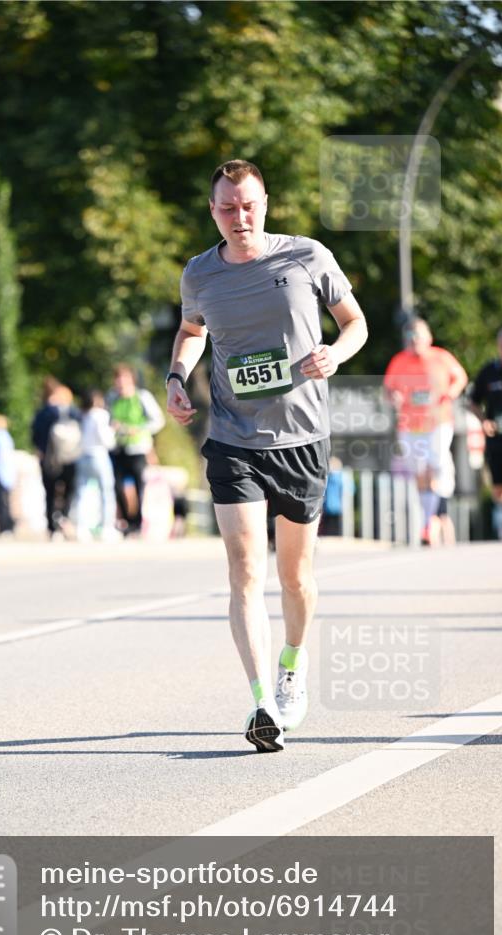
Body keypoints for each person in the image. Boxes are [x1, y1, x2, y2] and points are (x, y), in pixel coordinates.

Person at [166, 159, 368, 753]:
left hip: (303, 440)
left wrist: (336, 353)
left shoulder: (306, 256)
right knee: (246, 570)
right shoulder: (200, 272)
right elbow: (191, 330)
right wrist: (177, 376)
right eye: (227, 208)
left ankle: (292, 663)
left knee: (295, 578)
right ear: (213, 212)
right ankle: (261, 704)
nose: (239, 216)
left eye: (248, 204)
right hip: (234, 439)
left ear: (265, 203)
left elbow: (355, 324)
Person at [384, 318, 467, 545]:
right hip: (410, 425)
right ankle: (430, 520)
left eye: (418, 336)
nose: (414, 341)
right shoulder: (399, 361)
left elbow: (460, 377)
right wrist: (394, 398)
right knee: (419, 473)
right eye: (410, 337)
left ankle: (430, 522)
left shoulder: (441, 357)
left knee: (436, 462)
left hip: (438, 422)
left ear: (428, 338)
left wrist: (450, 392)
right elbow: (388, 390)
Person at [468, 325, 502, 542]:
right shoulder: (489, 372)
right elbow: (473, 402)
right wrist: (483, 421)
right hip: (497, 440)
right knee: (499, 488)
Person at [108, 363, 165, 536]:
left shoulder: (142, 397)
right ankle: (125, 521)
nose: (120, 384)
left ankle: (138, 522)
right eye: (118, 380)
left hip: (138, 448)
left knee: (139, 486)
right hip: (118, 447)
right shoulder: (112, 398)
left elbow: (158, 421)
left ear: (131, 380)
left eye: (124, 379)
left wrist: (139, 428)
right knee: (117, 486)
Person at [31, 378, 82, 539]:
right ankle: (61, 520)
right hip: (68, 457)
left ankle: (55, 525)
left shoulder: (45, 412)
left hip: (52, 458)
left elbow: (35, 434)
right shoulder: (73, 412)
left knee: (51, 492)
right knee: (65, 491)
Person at [75, 389, 120, 542]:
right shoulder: (100, 415)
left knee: (82, 493)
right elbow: (105, 439)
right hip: (99, 455)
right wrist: (113, 432)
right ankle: (107, 527)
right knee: (106, 493)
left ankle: (82, 528)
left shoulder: (82, 415)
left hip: (83, 455)